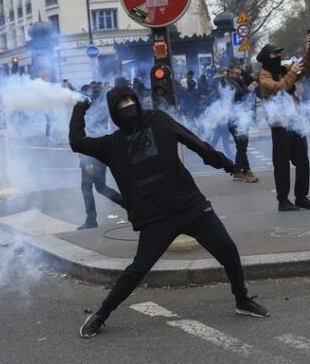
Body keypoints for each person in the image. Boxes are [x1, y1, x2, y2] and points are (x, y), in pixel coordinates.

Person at [70, 85, 268, 339]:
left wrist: (228, 166)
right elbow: (77, 142)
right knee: (137, 270)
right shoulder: (112, 144)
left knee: (228, 250)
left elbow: (195, 143)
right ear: (113, 112)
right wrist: (79, 107)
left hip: (190, 205)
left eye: (131, 99)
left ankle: (242, 299)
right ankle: (101, 314)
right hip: (156, 218)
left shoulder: (158, 120)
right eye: (121, 103)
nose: (128, 104)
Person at [258, 33, 310, 211]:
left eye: (278, 54)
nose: (278, 57)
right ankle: (283, 201)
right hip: (280, 126)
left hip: (295, 123)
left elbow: (305, 65)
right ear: (265, 58)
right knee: (282, 164)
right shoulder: (264, 76)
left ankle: (301, 197)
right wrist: (292, 73)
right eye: (274, 54)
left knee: (302, 161)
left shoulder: (284, 70)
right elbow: (277, 88)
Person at [76, 85, 124, 230]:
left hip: (92, 158)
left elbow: (87, 138)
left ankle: (91, 220)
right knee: (99, 187)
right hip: (97, 156)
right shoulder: (100, 112)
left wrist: (87, 162)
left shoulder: (91, 116)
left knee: (88, 187)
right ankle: (129, 205)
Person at [224, 62, 259, 183]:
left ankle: (238, 171)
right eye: (236, 68)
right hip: (234, 119)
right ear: (229, 70)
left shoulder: (238, 81)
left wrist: (248, 88)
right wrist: (248, 90)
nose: (239, 71)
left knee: (242, 145)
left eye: (239, 68)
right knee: (242, 144)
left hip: (241, 117)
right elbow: (235, 98)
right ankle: (246, 171)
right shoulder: (226, 82)